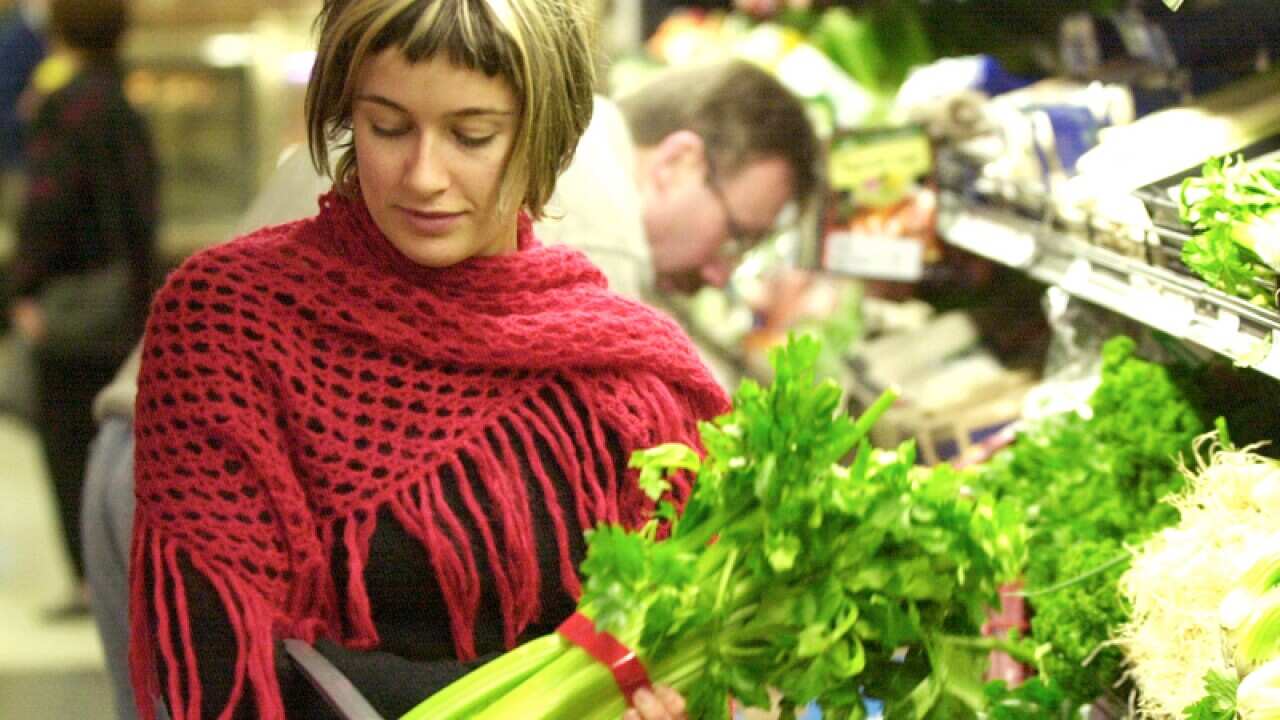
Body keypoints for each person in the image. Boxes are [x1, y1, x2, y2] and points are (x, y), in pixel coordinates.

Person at [88, 48, 818, 720]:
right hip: (184, 473)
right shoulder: (597, 216)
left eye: (470, 137)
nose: (425, 176)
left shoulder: (602, 314)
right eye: (385, 127)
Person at [7, 0, 155, 615]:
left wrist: (20, 290)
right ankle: (121, 573)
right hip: (123, 305)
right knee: (119, 446)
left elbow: (49, 207)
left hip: (71, 309)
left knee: (69, 445)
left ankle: (92, 579)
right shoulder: (125, 100)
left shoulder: (64, 104)